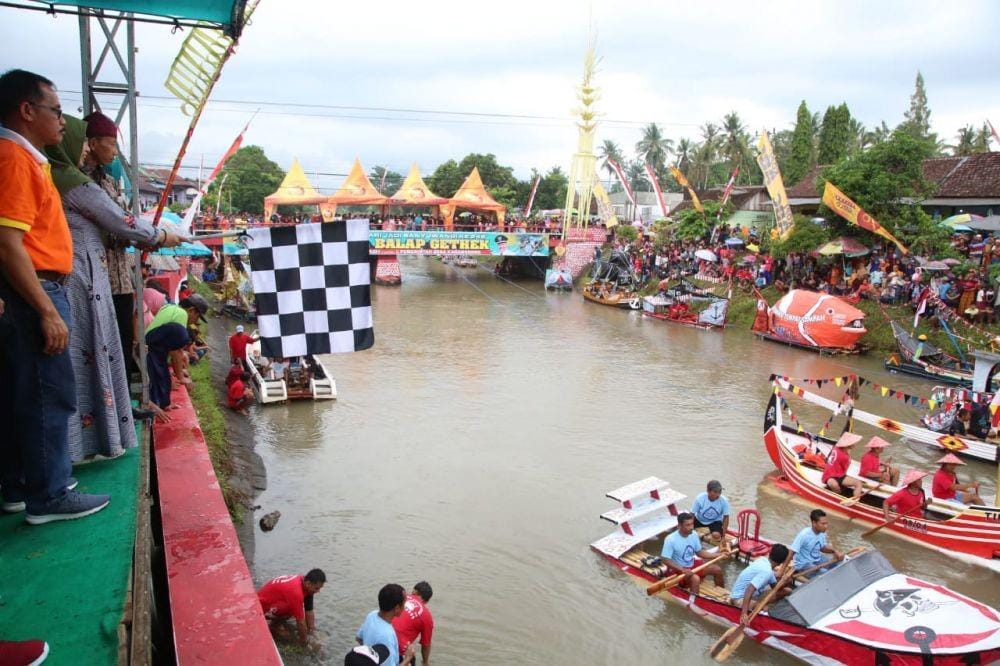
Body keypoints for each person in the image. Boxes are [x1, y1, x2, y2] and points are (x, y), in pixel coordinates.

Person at [0, 68, 110, 524]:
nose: (64, 122)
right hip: (37, 290)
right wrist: (47, 309)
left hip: (34, 289)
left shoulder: (27, 158)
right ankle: (50, 496)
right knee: (49, 394)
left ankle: (21, 487)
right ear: (27, 111)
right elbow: (8, 242)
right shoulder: (14, 159)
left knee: (23, 392)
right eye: (56, 111)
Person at [46, 112, 180, 461]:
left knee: (105, 351)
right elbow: (121, 223)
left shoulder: (80, 178)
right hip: (81, 281)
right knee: (87, 356)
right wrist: (161, 236)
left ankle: (99, 431)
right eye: (103, 143)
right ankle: (76, 447)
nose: (104, 150)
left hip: (100, 277)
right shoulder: (72, 181)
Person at [145, 295, 208, 414]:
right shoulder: (181, 315)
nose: (196, 321)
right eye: (198, 316)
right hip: (152, 353)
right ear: (191, 310)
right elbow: (176, 352)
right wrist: (181, 377)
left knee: (164, 380)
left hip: (150, 350)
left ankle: (164, 403)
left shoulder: (170, 307)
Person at [660, 512, 724, 612]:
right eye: (688, 525)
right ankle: (694, 605)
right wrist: (682, 570)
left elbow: (699, 552)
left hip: (691, 565)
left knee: (717, 569)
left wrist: (718, 555)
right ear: (679, 526)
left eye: (692, 524)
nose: (691, 527)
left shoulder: (693, 534)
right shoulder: (670, 539)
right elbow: (665, 559)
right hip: (677, 570)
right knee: (695, 579)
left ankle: (722, 598)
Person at [257, 568, 326, 649]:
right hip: (260, 608)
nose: (318, 591)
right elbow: (300, 622)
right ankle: (275, 625)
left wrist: (312, 632)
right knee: (294, 611)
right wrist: (305, 644)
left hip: (270, 600)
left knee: (296, 609)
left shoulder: (304, 582)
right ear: (308, 583)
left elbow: (309, 610)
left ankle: (277, 622)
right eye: (317, 588)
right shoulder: (296, 591)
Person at [730, 544, 791, 624]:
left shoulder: (763, 560)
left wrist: (786, 582)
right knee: (766, 608)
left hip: (754, 595)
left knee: (787, 591)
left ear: (770, 553)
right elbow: (749, 590)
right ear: (782, 562)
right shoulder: (767, 571)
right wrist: (744, 613)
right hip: (739, 598)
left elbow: (775, 588)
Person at [357, 584, 415, 666]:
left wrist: (370, 656)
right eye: (404, 604)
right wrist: (408, 658)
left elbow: (359, 638)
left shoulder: (372, 615)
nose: (405, 608)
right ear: (397, 608)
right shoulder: (387, 636)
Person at [789, 509, 843, 576]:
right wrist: (782, 570)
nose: (826, 526)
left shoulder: (822, 533)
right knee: (825, 573)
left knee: (838, 564)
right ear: (814, 523)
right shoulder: (804, 534)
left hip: (816, 559)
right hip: (804, 564)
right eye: (823, 524)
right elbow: (792, 551)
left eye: (826, 523)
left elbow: (822, 547)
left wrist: (835, 551)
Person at [392, 582, 434, 666]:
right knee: (411, 657)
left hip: (380, 635)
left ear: (414, 591)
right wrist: (425, 663)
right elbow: (426, 645)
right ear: (427, 600)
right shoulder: (427, 616)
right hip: (398, 648)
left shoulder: (400, 596)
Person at [821, 432, 864, 498]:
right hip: (830, 476)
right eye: (853, 443)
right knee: (834, 485)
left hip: (839, 475)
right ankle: (839, 496)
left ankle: (854, 498)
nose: (855, 444)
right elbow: (845, 468)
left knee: (858, 483)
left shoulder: (836, 448)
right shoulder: (845, 456)